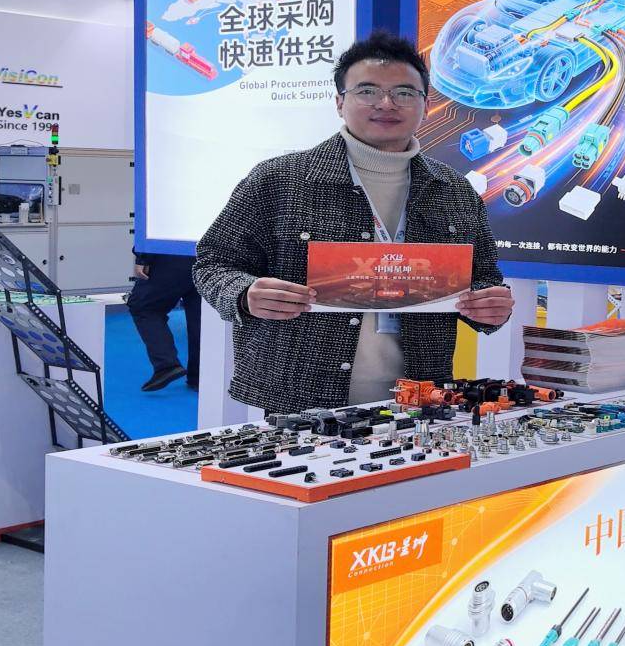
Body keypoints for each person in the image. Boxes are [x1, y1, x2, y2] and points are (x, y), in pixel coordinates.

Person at [194, 32, 514, 414]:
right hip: (301, 396)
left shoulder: (453, 189)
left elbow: (484, 276)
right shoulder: (280, 179)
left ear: (426, 106)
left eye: (404, 93)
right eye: (367, 91)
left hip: (421, 396)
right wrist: (244, 293)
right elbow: (213, 263)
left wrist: (491, 305)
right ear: (339, 102)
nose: (386, 104)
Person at [128, 251, 201, 391]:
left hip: (172, 253)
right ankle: (201, 376)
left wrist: (143, 259)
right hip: (212, 256)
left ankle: (166, 364)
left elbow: (149, 235)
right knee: (201, 318)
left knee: (143, 306)